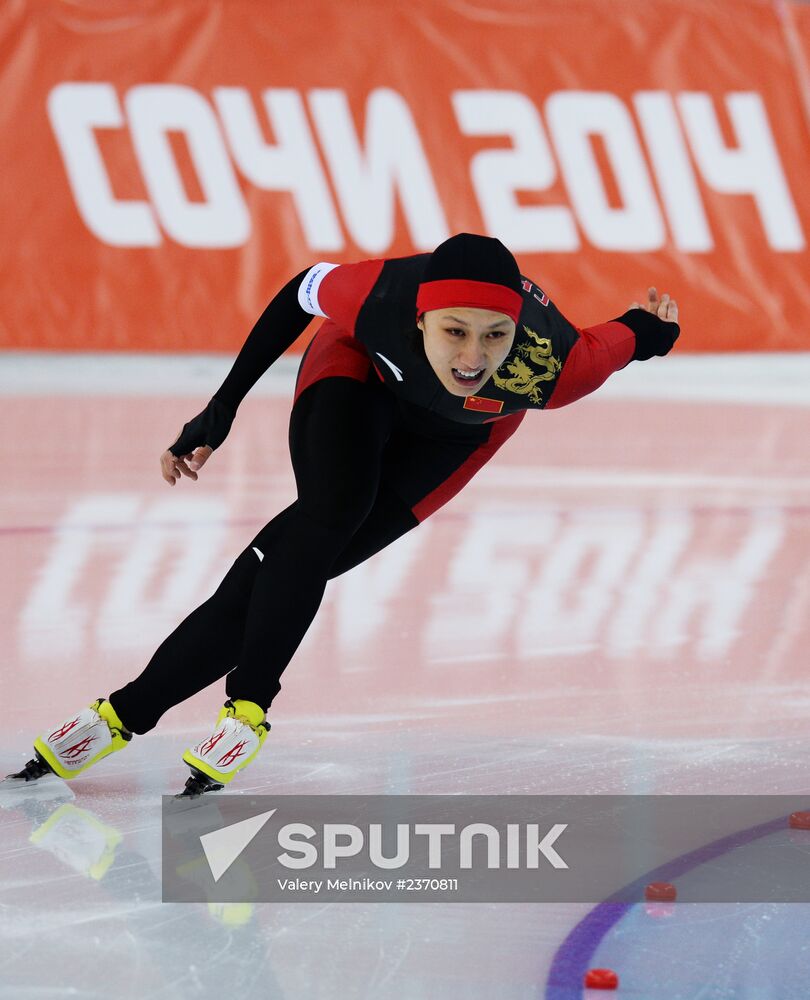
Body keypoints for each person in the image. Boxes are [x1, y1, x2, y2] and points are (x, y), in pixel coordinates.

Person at [7, 234, 679, 796]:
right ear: (420, 319)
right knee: (331, 512)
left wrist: (653, 330)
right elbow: (301, 288)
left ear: (516, 332)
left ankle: (121, 714)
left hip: (458, 438)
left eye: (494, 336)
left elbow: (625, 338)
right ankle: (249, 707)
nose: (472, 359)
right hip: (359, 374)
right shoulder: (378, 295)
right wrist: (223, 406)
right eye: (454, 332)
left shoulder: (556, 367)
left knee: (302, 561)